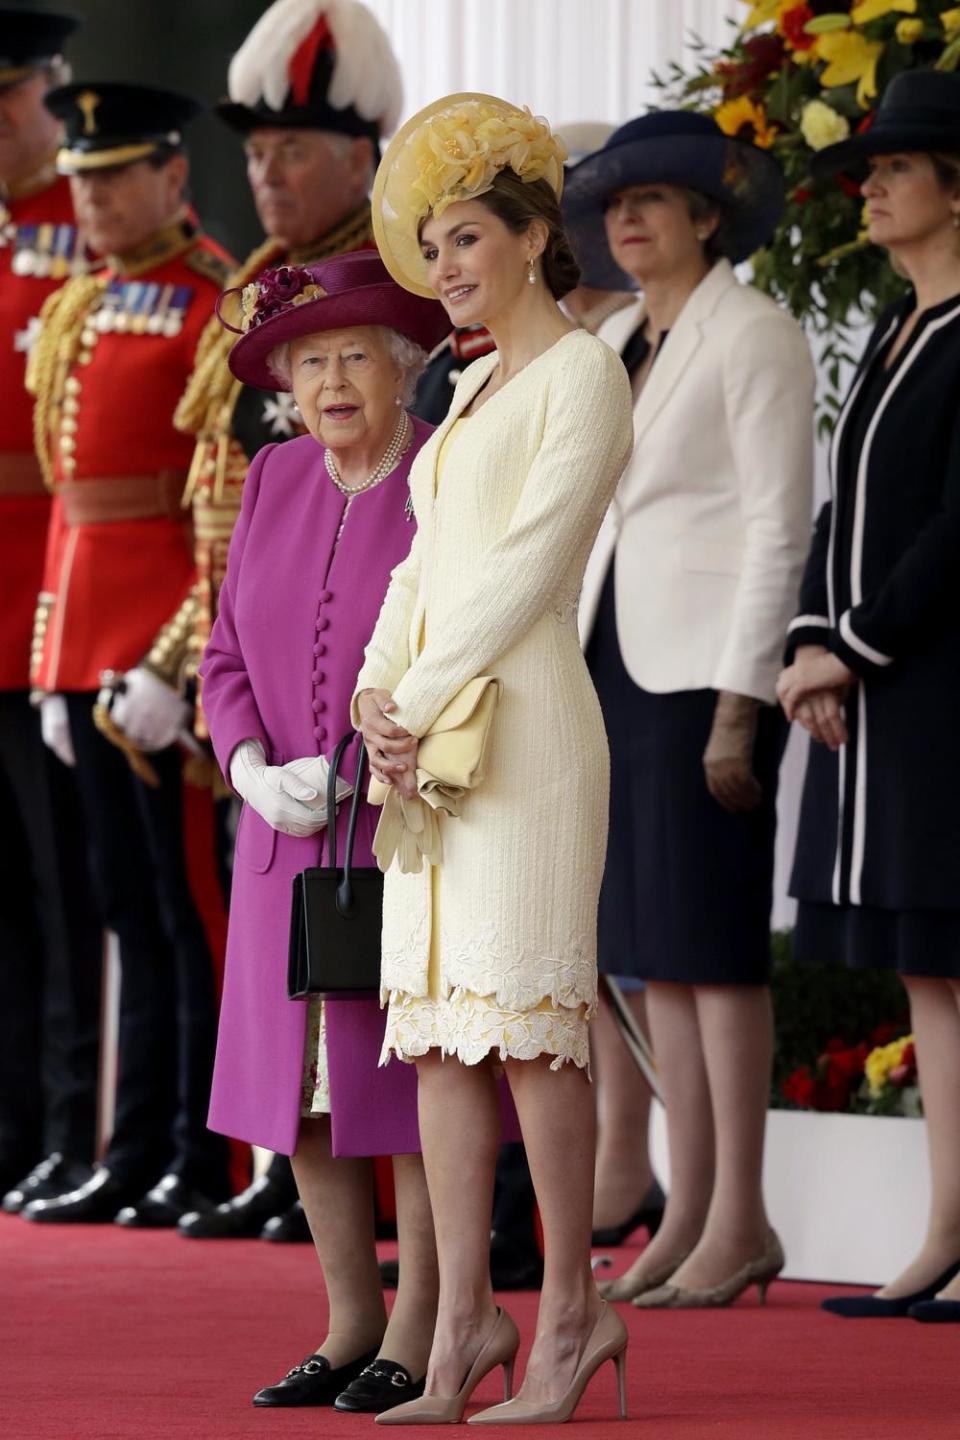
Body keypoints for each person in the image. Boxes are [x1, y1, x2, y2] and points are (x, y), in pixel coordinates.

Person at [355, 94, 634, 1425]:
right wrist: (371, 690)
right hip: (427, 736)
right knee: (442, 1045)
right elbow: (422, 561)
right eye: (432, 247)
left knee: (530, 1036)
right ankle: (464, 1320)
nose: (449, 266)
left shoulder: (584, 373)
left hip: (526, 737)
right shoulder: (463, 387)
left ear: (532, 235)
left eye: (467, 237)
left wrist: (407, 692)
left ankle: (576, 1314)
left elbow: (526, 571)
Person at [158, 0, 405, 1245]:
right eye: (253, 156)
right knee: (275, 1044)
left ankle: (447, 1287)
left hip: (393, 795)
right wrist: (246, 753)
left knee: (394, 1070)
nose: (265, 176)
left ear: (361, 159)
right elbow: (224, 579)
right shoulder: (266, 320)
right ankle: (333, 1290)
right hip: (270, 758)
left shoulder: (394, 300)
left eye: (292, 151)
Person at [563, 111, 814, 1308]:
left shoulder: (755, 332)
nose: (627, 221)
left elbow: (778, 526)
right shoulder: (621, 339)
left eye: (653, 201)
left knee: (714, 954)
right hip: (615, 659)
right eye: (615, 205)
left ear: (708, 218)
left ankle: (741, 1218)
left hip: (707, 674)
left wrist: (741, 697)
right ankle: (687, 1214)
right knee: (652, 954)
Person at [200, 250, 449, 1410]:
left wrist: (378, 763)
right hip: (279, 840)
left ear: (403, 365)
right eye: (310, 361)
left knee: (399, 1089)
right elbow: (226, 656)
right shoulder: (274, 477)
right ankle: (350, 1318)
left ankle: (426, 1316)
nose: (332, 379)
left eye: (355, 355)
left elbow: (459, 649)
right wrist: (250, 766)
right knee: (296, 1094)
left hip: (399, 831)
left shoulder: (439, 477)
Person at [22, 82, 234, 1227]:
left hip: (165, 646)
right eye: (84, 177)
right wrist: (58, 651)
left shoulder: (214, 296)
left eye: (116, 178)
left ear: (170, 178)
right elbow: (68, 502)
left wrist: (178, 655)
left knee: (186, 910)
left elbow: (214, 498)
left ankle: (205, 1156)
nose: (94, 199)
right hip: (87, 646)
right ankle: (135, 1141)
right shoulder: (83, 305)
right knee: (120, 907)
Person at [777, 69, 960, 1326]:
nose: (873, 182)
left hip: (944, 691)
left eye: (897, 167)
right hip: (889, 691)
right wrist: (809, 640)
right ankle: (946, 1225)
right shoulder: (897, 328)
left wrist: (855, 645)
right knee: (929, 973)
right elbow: (845, 512)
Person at [0, 6, 105, 1217]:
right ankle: (15, 1127)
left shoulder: (80, 238)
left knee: (63, 889)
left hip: (57, 591)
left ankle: (74, 1128)